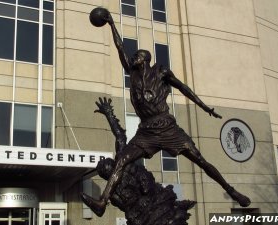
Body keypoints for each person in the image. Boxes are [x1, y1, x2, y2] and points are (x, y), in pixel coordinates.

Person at [82, 11, 251, 217]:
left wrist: (205, 107)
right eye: (134, 56)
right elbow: (120, 47)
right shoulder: (133, 73)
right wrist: (111, 24)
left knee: (201, 161)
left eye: (137, 55)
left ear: (145, 59)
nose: (133, 57)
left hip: (168, 127)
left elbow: (183, 88)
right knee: (122, 160)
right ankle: (102, 202)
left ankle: (232, 191)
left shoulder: (161, 71)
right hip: (146, 131)